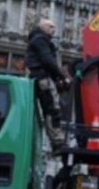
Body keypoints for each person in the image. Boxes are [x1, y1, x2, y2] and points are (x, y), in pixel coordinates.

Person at [25, 18, 69, 150]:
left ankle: (55, 140)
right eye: (50, 26)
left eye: (54, 27)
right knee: (52, 109)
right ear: (42, 27)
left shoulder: (38, 39)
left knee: (48, 108)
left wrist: (57, 79)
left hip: (41, 77)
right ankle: (57, 142)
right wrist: (62, 76)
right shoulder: (40, 39)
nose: (54, 29)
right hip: (43, 78)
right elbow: (47, 60)